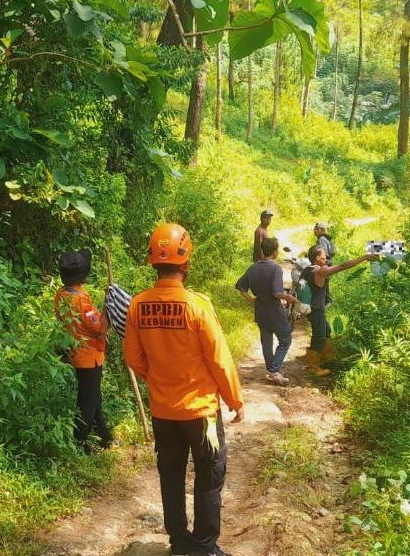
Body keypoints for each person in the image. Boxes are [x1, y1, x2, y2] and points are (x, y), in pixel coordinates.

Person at [123, 223, 244, 556]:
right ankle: (204, 547)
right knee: (210, 474)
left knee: (171, 475)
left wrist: (160, 378)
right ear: (186, 263)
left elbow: (133, 358)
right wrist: (234, 399)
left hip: (163, 412)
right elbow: (219, 358)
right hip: (201, 413)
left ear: (152, 261)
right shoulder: (197, 306)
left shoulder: (138, 305)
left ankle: (179, 542)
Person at [54, 249, 114, 453]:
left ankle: (105, 437)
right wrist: (109, 306)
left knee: (93, 397)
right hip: (89, 358)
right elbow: (99, 328)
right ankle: (80, 444)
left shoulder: (61, 295)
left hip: (75, 354)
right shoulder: (82, 301)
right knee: (87, 403)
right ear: (83, 275)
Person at [301, 245, 379, 376]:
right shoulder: (320, 271)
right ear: (317, 258)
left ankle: (327, 358)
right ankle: (313, 365)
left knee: (326, 330)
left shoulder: (308, 269)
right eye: (324, 256)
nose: (326, 258)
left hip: (311, 307)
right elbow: (343, 266)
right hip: (316, 310)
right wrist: (365, 257)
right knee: (319, 336)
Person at [235, 237, 301, 386]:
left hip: (260, 310)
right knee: (285, 339)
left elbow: (240, 286)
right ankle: (274, 370)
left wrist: (252, 300)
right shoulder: (275, 268)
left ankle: (272, 371)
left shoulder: (252, 268)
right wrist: (288, 297)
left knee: (266, 342)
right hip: (274, 310)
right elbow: (277, 293)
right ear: (275, 252)